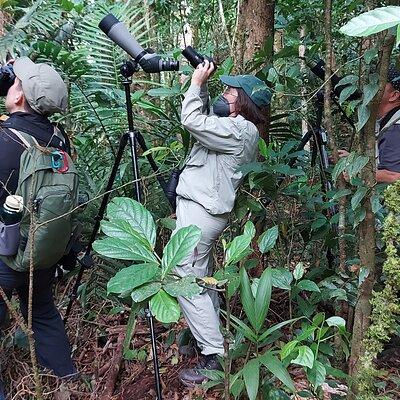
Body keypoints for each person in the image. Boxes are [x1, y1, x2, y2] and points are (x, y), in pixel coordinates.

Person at [174, 60, 271, 386]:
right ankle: (212, 340)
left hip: (202, 213)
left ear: (242, 101)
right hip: (202, 210)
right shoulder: (234, 127)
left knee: (184, 277)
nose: (224, 93)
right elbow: (204, 122)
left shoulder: (240, 130)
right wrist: (201, 87)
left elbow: (190, 120)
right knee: (199, 277)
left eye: (230, 90)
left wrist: (196, 82)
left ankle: (214, 355)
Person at [0, 57, 76, 398]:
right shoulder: (59, 141)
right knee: (42, 310)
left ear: (19, 96)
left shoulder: (4, 140)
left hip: (5, 255)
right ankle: (69, 380)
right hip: (43, 252)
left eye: (14, 81)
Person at [339, 65, 400, 183]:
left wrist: (357, 172)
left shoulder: (396, 128)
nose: (370, 87)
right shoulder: (387, 120)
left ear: (394, 95)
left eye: (379, 83)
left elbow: (395, 175)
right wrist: (353, 160)